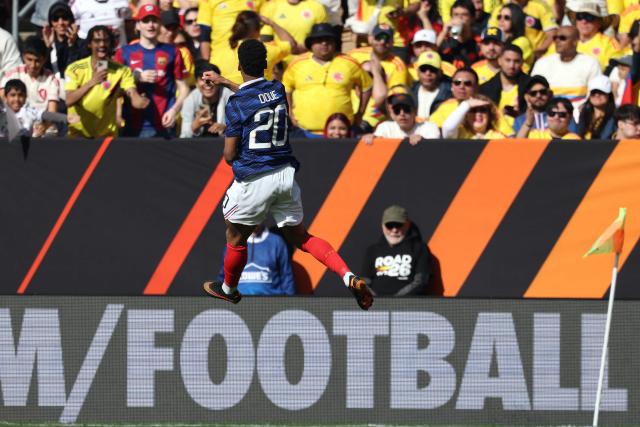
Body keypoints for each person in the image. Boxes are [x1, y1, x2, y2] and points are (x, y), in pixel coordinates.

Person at [201, 39, 373, 310]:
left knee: (235, 237)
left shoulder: (235, 105)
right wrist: (223, 81)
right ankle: (348, 275)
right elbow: (254, 95)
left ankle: (229, 288)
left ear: (239, 65)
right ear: (266, 66)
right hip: (285, 174)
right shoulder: (278, 89)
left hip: (255, 177)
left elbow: (230, 154)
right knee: (302, 237)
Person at [114, 4, 190, 137]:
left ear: (160, 24)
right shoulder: (124, 52)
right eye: (145, 21)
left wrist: (174, 110)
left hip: (164, 123)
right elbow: (113, 87)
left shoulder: (173, 51)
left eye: (154, 20)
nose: (150, 25)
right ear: (137, 25)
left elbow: (184, 88)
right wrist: (136, 77)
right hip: (133, 124)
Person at [283, 23, 372, 135]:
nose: (324, 43)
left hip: (340, 133)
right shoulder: (296, 64)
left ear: (335, 43)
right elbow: (286, 89)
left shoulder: (350, 63)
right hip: (304, 132)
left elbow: (367, 86)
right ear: (311, 43)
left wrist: (360, 113)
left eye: (328, 40)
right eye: (319, 40)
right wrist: (290, 113)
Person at [65, 25, 150, 138]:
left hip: (106, 136)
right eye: (97, 41)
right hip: (78, 134)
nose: (102, 45)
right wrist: (92, 82)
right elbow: (69, 100)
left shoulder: (122, 70)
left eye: (106, 41)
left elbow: (131, 91)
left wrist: (137, 99)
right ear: (89, 44)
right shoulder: (75, 68)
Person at [361, 205, 436, 296]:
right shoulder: (372, 251)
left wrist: (396, 301)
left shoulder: (419, 248)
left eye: (399, 225)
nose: (394, 230)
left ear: (407, 224)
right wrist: (377, 301)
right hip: (375, 307)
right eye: (389, 225)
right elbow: (363, 283)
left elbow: (421, 281)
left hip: (409, 306)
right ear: (382, 225)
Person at [211, 11, 298, 85]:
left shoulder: (219, 51)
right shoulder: (265, 50)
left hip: (229, 102)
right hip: (261, 101)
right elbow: (292, 44)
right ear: (257, 30)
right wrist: (271, 23)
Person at [530, 26, 601, 110]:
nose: (557, 41)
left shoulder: (590, 63)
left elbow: (594, 95)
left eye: (562, 38)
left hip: (579, 114)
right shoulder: (542, 63)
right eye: (555, 38)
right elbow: (532, 92)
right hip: (549, 113)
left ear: (575, 42)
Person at [216, 224, 296, 295]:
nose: (254, 218)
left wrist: (289, 305)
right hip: (238, 304)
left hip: (272, 304)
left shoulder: (277, 242)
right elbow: (223, 277)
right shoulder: (234, 243)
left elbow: (287, 278)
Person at [1, 36, 60, 114]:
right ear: (23, 57)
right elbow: (2, 101)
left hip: (42, 123)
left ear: (44, 59)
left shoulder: (51, 80)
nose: (33, 65)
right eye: (29, 59)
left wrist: (44, 125)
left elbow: (52, 112)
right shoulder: (12, 75)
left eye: (37, 61)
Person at [479, 43, 529, 127]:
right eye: (508, 60)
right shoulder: (485, 89)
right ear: (499, 61)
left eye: (516, 61)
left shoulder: (531, 87)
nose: (512, 66)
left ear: (522, 63)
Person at [180, 61, 233, 138]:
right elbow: (183, 136)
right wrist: (194, 127)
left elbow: (242, 128)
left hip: (223, 144)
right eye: (202, 79)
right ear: (196, 83)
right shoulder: (190, 100)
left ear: (218, 81)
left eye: (210, 79)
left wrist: (226, 129)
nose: (207, 83)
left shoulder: (230, 97)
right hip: (198, 147)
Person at [361, 92, 441, 143]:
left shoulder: (430, 127)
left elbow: (434, 151)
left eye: (406, 109)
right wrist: (371, 139)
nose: (402, 113)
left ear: (415, 111)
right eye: (397, 110)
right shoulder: (385, 127)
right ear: (392, 114)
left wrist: (423, 142)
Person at [3, 78, 71, 137]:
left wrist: (66, 118)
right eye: (12, 95)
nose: (17, 99)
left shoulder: (29, 111)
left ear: (25, 97)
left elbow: (47, 115)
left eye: (20, 95)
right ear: (6, 97)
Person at [42, 2, 83, 90]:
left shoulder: (83, 45)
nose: (60, 23)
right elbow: (41, 71)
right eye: (56, 19)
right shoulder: (46, 45)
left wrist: (72, 46)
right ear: (50, 23)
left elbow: (77, 70)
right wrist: (48, 47)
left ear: (71, 21)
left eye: (65, 18)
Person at [409, 51, 452, 120]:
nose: (428, 73)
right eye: (423, 69)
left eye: (433, 69)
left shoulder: (450, 93)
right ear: (417, 72)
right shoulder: (411, 91)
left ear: (440, 72)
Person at [436, 0, 479, 68]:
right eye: (456, 15)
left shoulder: (479, 40)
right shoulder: (445, 40)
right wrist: (444, 32)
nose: (460, 18)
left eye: (464, 15)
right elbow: (430, 54)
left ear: (472, 18)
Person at [577, 75, 617, 140]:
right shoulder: (582, 114)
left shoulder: (615, 117)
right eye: (593, 92)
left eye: (601, 92)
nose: (597, 95)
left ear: (609, 95)